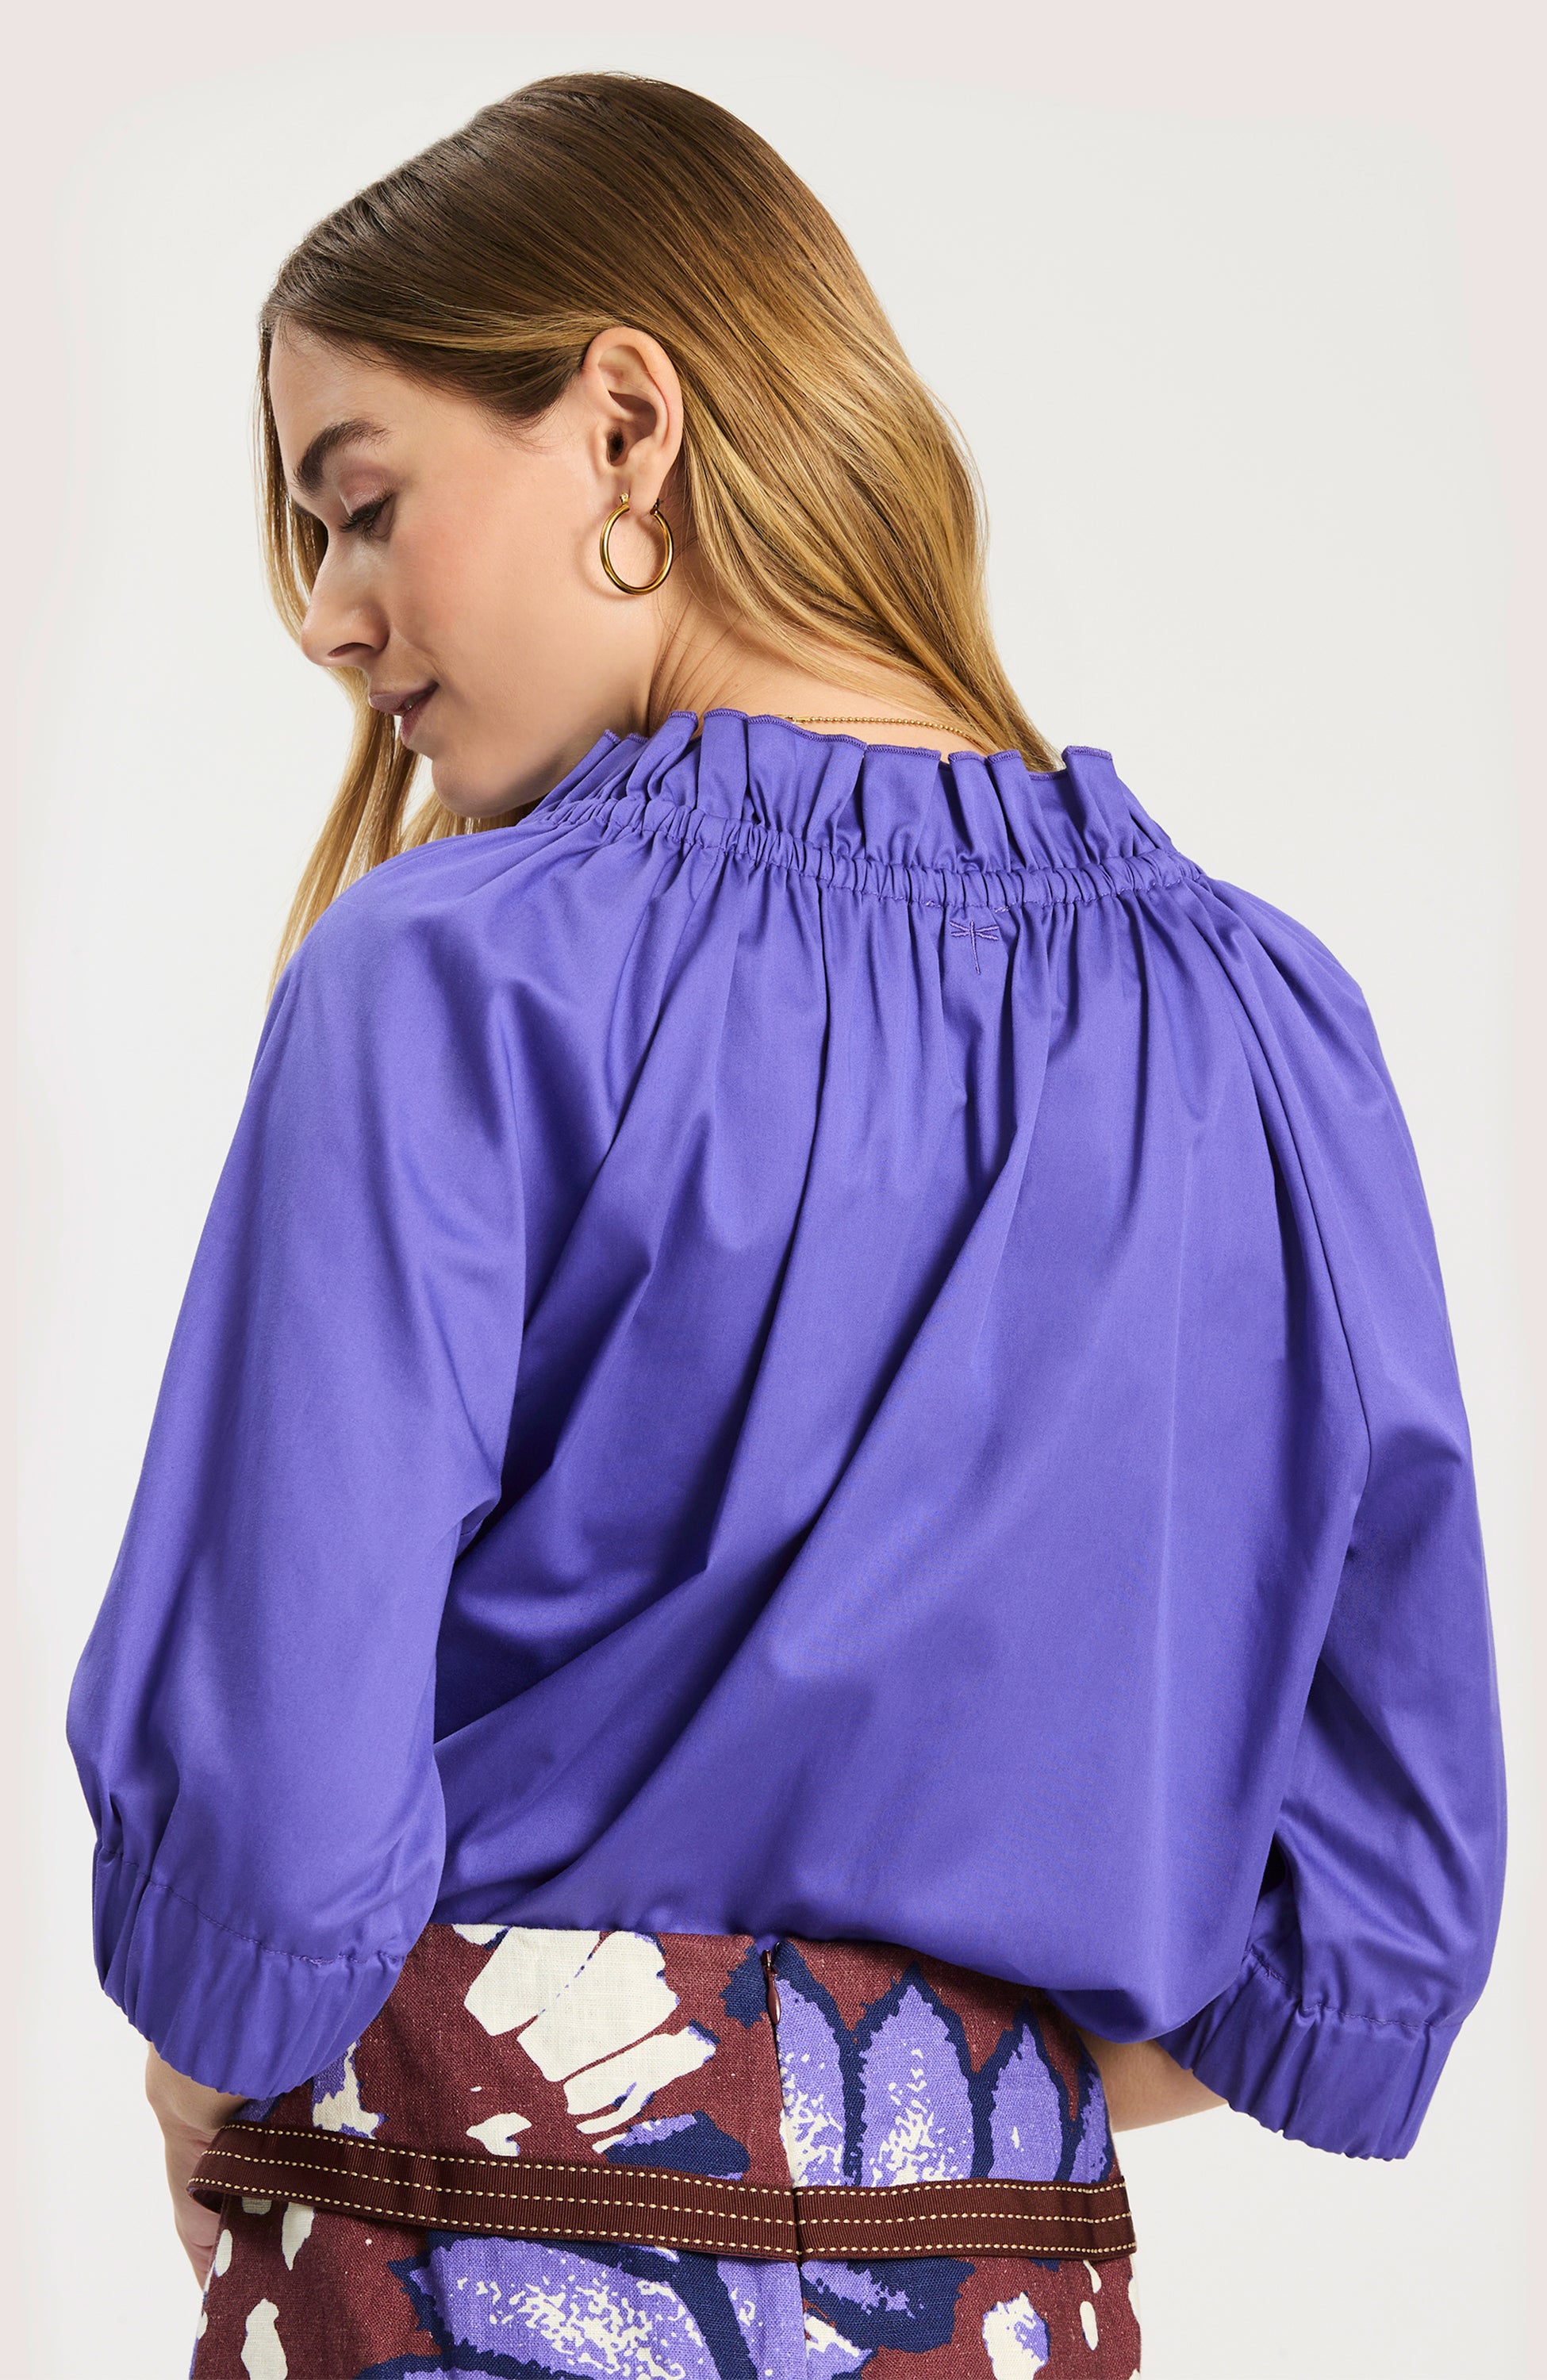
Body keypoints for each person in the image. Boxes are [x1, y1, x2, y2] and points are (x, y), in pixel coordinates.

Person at [64, 69, 1506, 2380]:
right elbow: (1378, 1917)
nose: (329, 616)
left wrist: (211, 2070)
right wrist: (903, 2102)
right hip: (1002, 2262)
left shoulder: (452, 978)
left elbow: (272, 1860)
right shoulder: (1267, 1024)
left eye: (361, 505)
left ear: (627, 426)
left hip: (457, 2234)